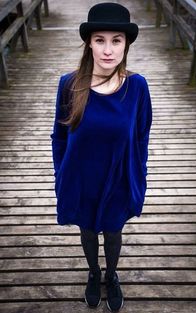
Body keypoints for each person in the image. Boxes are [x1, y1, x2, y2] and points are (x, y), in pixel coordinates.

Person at [50, 2, 152, 312]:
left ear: (126, 44)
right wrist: (61, 178)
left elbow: (141, 137)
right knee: (88, 231)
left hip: (119, 177)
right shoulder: (70, 84)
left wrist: (138, 179)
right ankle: (94, 273)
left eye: (116, 40)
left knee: (113, 232)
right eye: (99, 40)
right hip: (82, 179)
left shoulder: (137, 87)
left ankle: (111, 274)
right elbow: (60, 137)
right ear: (89, 43)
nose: (108, 49)